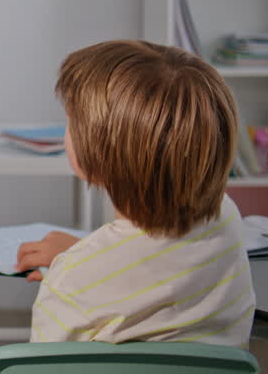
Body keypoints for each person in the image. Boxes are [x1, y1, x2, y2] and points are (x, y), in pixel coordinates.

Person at [15, 40, 255, 347]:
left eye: (71, 120)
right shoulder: (226, 219)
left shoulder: (70, 282)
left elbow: (48, 368)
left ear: (97, 158)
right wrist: (81, 253)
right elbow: (157, 266)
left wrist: (75, 263)